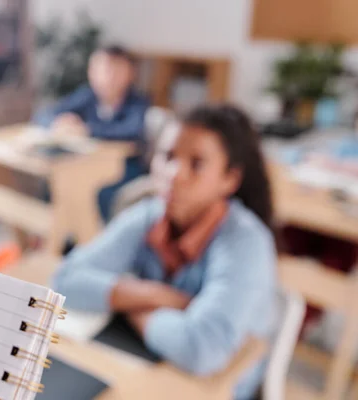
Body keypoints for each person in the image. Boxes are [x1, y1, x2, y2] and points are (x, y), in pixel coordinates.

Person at [53, 104, 277, 400]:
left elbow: (201, 349)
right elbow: (65, 279)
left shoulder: (247, 243)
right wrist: (158, 296)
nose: (174, 174)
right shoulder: (149, 215)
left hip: (217, 386)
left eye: (196, 163)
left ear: (230, 179)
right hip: (151, 361)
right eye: (168, 156)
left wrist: (130, 304)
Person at [34, 45, 150, 221]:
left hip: (124, 167)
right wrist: (59, 123)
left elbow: (131, 130)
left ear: (130, 73)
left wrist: (86, 130)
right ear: (91, 73)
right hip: (86, 162)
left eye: (116, 69)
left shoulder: (137, 102)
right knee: (56, 182)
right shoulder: (87, 97)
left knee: (95, 191)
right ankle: (63, 239)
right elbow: (43, 114)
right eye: (102, 69)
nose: (109, 76)